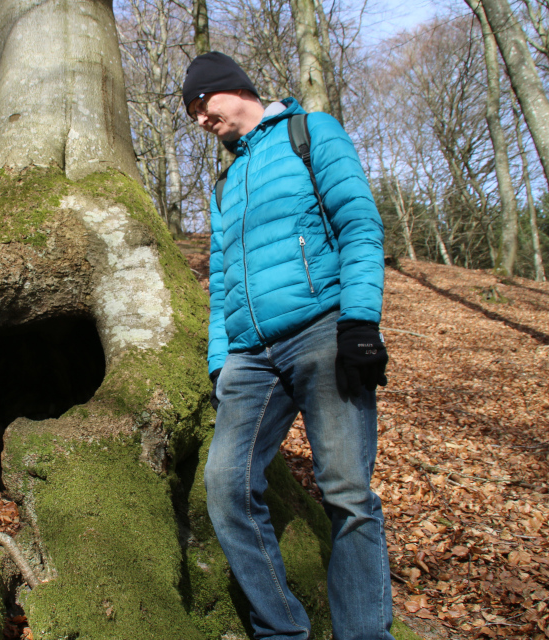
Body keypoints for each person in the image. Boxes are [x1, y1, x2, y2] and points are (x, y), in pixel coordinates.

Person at [183, 51, 394, 640]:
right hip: (251, 359)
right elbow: (221, 280)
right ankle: (281, 630)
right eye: (192, 113)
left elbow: (358, 221)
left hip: (322, 333)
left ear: (231, 88)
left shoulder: (310, 133)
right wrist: (221, 361)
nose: (199, 120)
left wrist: (359, 321)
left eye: (201, 104)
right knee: (225, 488)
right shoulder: (223, 184)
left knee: (347, 494)